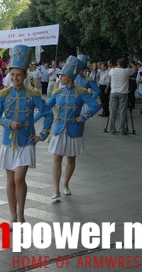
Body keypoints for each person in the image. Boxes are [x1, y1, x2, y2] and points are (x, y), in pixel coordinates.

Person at [0, 45, 53, 225]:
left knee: (19, 178)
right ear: (9, 76)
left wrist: (42, 134)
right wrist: (8, 123)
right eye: (12, 75)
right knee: (10, 180)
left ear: (25, 76)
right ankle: (13, 216)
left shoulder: (33, 95)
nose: (15, 78)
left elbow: (48, 114)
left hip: (26, 142)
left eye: (18, 75)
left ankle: (21, 213)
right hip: (8, 142)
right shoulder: (3, 94)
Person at [43, 55, 101, 199]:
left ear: (68, 77)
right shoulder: (58, 93)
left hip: (74, 129)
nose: (60, 78)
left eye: (62, 76)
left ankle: (65, 185)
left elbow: (96, 105)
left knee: (71, 158)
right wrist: (31, 118)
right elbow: (45, 108)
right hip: (59, 128)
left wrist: (82, 117)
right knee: (57, 157)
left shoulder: (80, 92)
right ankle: (55, 189)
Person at [107, 58, 136, 135]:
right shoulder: (126, 71)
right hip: (123, 93)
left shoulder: (112, 71)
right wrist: (129, 62)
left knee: (113, 111)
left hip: (113, 92)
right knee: (123, 112)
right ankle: (122, 129)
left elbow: (109, 73)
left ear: (117, 63)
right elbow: (135, 68)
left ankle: (112, 129)